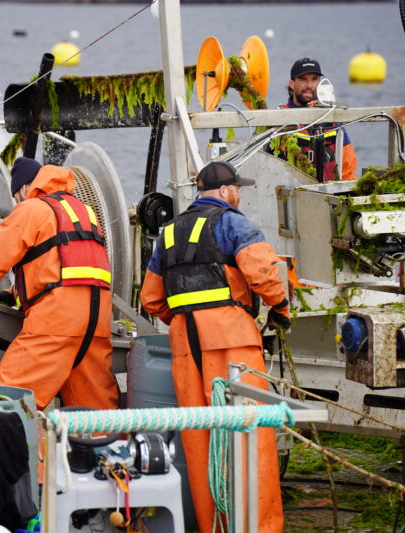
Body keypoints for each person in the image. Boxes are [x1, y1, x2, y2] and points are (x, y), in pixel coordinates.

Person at [140, 161, 290, 533]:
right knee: (249, 433)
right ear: (224, 191)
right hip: (232, 340)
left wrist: (185, 318)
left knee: (200, 440)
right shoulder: (233, 222)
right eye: (237, 189)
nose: (238, 195)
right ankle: (259, 528)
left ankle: (215, 526)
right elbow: (264, 275)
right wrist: (281, 309)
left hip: (185, 345)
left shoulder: (168, 233)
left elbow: (151, 299)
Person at [0, 157, 119, 412]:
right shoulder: (85, 212)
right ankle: (108, 441)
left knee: (9, 402)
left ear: (26, 187)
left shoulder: (32, 209)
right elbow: (64, 268)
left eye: (17, 196)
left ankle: (11, 440)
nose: (18, 202)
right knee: (96, 414)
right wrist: (15, 293)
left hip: (56, 324)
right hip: (97, 325)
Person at [270, 57, 358, 181]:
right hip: (286, 191)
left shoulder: (332, 120)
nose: (309, 85)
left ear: (320, 83)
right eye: (303, 79)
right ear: (292, 84)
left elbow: (348, 169)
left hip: (328, 191)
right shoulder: (276, 119)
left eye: (314, 79)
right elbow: (262, 164)